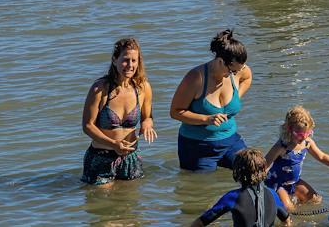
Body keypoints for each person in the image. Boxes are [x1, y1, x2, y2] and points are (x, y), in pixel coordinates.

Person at [171, 29, 252, 170]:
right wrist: (206, 119)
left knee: (252, 169)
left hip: (230, 141)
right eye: (232, 71)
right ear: (220, 61)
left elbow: (247, 77)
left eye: (239, 70)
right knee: (204, 190)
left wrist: (236, 97)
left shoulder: (239, 71)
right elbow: (175, 112)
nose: (235, 74)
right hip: (197, 147)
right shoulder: (196, 78)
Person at [259, 106, 329, 221]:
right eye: (299, 134)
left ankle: (303, 214)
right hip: (277, 184)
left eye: (307, 133)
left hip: (294, 182)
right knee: (289, 209)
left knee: (315, 199)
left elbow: (322, 156)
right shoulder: (281, 146)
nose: (303, 137)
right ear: (289, 129)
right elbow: (264, 165)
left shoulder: (307, 143)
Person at [81, 37, 156, 185]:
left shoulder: (142, 87)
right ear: (114, 60)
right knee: (104, 205)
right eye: (125, 60)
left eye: (134, 61)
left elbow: (148, 117)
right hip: (101, 157)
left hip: (131, 158)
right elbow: (87, 126)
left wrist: (147, 124)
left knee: (129, 204)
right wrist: (113, 143)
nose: (130, 65)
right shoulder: (100, 88)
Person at [188, 148, 271, 227]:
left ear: (237, 171)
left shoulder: (233, 197)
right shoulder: (272, 194)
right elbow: (284, 220)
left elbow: (200, 222)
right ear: (263, 169)